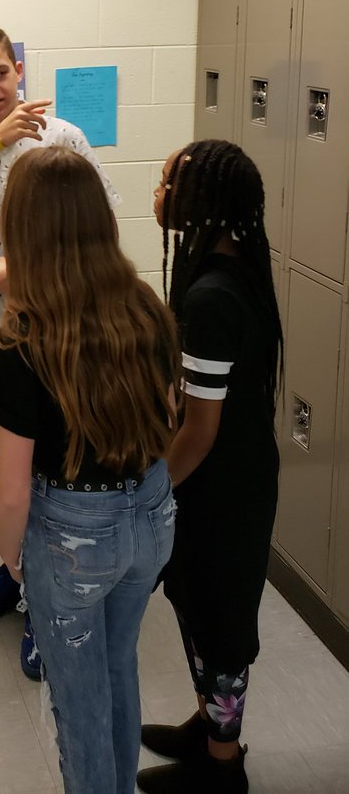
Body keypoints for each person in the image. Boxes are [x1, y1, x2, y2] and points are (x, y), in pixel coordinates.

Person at [0, 146, 179, 794]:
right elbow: (168, 416)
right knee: (119, 664)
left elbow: (11, 487)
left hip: (71, 532)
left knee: (80, 699)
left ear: (22, 228)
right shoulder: (145, 306)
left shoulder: (22, 337)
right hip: (150, 514)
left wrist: (15, 558)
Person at [0, 23, 119, 677]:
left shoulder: (62, 137)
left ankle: (47, 598)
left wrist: (28, 267)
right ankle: (16, 570)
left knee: (49, 473)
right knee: (2, 461)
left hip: (57, 335)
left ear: (19, 70)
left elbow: (103, 226)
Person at [137, 140, 283, 794]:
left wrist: (147, 494)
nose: (159, 194)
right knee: (195, 602)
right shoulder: (223, 273)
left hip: (221, 488)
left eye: (169, 184)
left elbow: (199, 430)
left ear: (203, 205)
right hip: (224, 480)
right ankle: (207, 728)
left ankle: (223, 768)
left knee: (220, 622)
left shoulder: (212, 299)